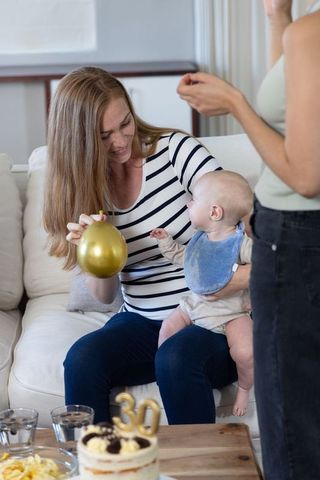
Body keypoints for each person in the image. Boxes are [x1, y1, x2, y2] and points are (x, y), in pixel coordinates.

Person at [43, 66, 251, 426]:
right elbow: (106, 296)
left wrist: (228, 283)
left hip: (209, 320)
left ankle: (194, 469)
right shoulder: (88, 189)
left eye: (125, 123)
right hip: (141, 319)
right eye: (104, 135)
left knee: (174, 358)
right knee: (82, 360)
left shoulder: (175, 152)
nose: (121, 140)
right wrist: (96, 249)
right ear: (80, 142)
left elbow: (243, 219)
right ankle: (96, 465)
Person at [177, 1, 320, 478]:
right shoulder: (303, 32)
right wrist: (278, 16)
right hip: (297, 235)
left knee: (291, 426)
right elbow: (294, 110)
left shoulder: (312, 34)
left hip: (296, 238)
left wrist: (235, 103)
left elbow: (304, 175)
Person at [150, 170, 253, 416]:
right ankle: (162, 374)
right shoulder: (200, 240)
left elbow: (266, 267)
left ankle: (245, 387)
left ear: (214, 212)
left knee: (245, 351)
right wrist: (166, 242)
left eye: (193, 200)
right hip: (194, 306)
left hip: (231, 313)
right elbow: (183, 258)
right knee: (167, 328)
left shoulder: (240, 242)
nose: (188, 203)